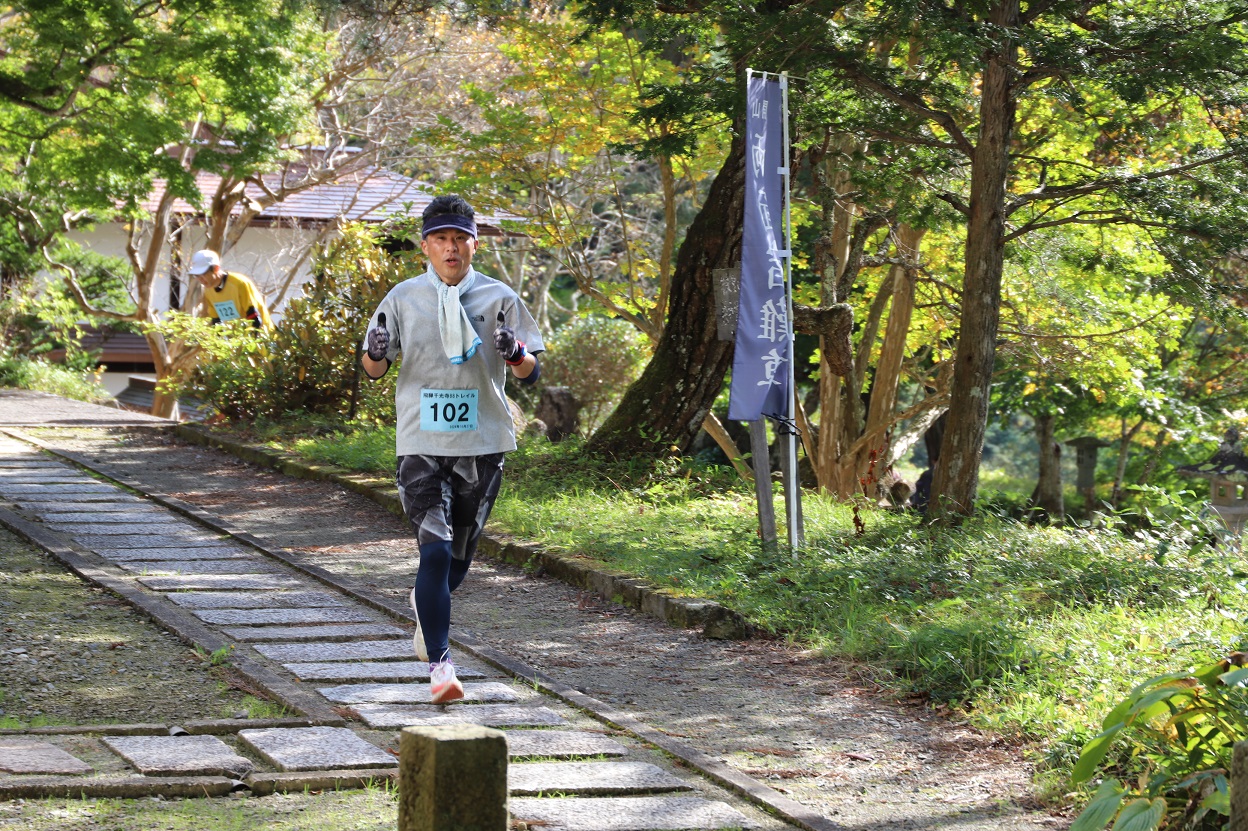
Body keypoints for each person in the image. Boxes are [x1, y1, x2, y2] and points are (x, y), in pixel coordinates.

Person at [361, 194, 543, 704]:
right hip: (420, 441)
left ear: (474, 244)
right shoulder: (400, 298)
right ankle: (442, 667)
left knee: (456, 559)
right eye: (441, 238)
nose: (451, 247)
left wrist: (517, 354)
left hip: (482, 442)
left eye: (460, 238)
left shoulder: (499, 297)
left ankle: (428, 609)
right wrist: (375, 353)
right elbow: (374, 369)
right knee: (435, 549)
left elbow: (532, 371)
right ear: (426, 245)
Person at [189, 249, 273, 329]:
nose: (200, 279)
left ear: (216, 269)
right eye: (196, 275)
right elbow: (216, 321)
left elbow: (254, 317)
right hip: (236, 339)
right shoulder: (208, 290)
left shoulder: (239, 283)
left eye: (203, 274)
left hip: (262, 336)